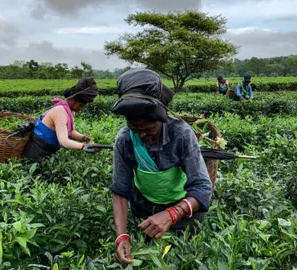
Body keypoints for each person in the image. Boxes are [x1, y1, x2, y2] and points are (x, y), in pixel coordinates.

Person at [109, 68, 212, 265]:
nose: (142, 136)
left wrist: (173, 213)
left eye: (149, 129)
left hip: (185, 210)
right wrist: (121, 236)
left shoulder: (181, 134)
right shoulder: (124, 140)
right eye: (135, 130)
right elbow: (120, 191)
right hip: (146, 212)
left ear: (162, 118)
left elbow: (202, 188)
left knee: (184, 258)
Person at [22, 77, 100, 162]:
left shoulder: (70, 111)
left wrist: (84, 138)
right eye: (80, 105)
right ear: (71, 100)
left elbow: (71, 132)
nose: (81, 108)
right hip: (36, 152)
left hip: (49, 150)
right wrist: (83, 146)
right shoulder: (60, 112)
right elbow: (63, 142)